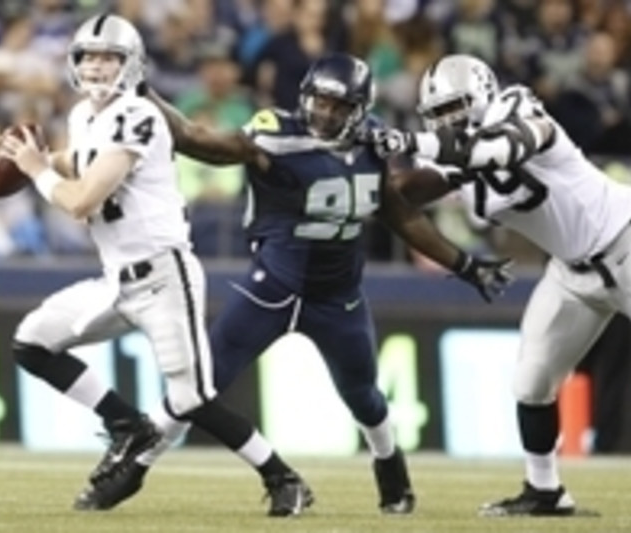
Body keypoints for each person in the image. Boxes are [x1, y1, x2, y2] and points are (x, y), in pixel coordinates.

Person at [92, 52, 513, 514]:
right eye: (319, 102)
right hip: (270, 288)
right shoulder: (275, 135)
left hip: (338, 298)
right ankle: (133, 468)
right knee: (197, 387)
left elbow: (400, 216)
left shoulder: (374, 144)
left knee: (365, 397)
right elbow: (196, 138)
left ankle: (390, 465)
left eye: (338, 107)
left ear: (359, 110)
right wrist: (144, 93)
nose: (325, 114)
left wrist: (466, 265)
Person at [0, 13, 314, 517]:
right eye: (89, 56)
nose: (97, 67)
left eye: (109, 57)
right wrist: (38, 157)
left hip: (164, 277)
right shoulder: (84, 116)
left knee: (191, 398)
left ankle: (283, 477)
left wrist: (35, 171)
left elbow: (82, 200)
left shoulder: (138, 113)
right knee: (32, 343)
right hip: (116, 279)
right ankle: (127, 426)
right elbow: (80, 161)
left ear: (132, 63)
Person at [371, 53, 631, 516]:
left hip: (624, 241)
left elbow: (500, 150)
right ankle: (545, 490)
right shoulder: (455, 154)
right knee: (531, 381)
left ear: (482, 93)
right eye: (438, 116)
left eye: (454, 108)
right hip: (573, 272)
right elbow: (405, 189)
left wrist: (409, 139)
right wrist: (351, 172)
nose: (447, 122)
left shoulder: (518, 108)